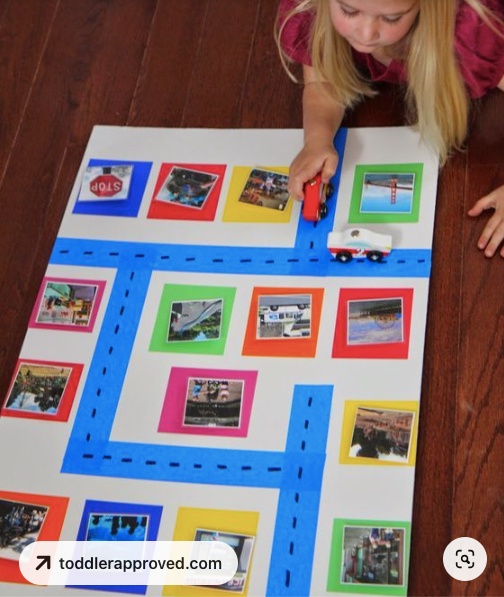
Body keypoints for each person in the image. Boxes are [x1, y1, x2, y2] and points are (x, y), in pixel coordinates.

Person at [276, 0, 504, 257]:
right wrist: (317, 139)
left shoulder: (475, 32)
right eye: (349, 11)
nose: (366, 33)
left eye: (392, 18)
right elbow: (323, 83)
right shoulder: (312, 10)